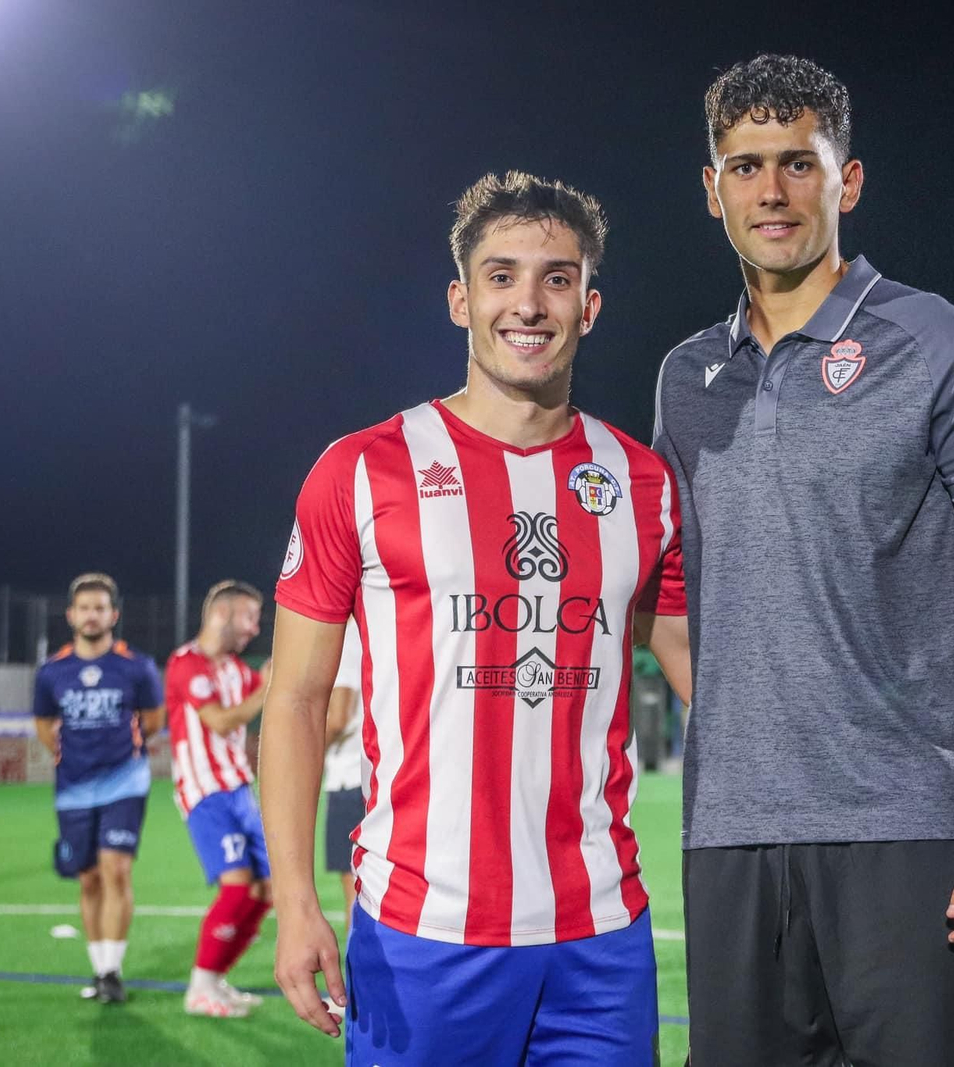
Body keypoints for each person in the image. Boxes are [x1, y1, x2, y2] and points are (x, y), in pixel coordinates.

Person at [652, 54, 954, 1064]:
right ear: (711, 191)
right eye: (744, 167)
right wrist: (756, 711)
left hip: (910, 828)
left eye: (798, 162)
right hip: (731, 836)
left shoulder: (939, 344)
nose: (772, 191)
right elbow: (666, 592)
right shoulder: (684, 378)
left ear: (849, 179)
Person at [262, 170, 688, 1065]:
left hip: (601, 934)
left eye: (556, 278)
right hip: (423, 934)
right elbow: (297, 699)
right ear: (461, 299)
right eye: (501, 276)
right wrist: (295, 897)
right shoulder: (362, 471)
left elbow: (709, 681)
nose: (528, 303)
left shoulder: (645, 485)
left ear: (590, 304)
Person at [32, 573, 163, 1004]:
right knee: (88, 878)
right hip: (72, 787)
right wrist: (73, 755)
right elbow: (44, 727)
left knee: (117, 869)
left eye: (100, 607)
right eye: (84, 607)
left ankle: (111, 971)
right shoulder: (52, 671)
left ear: (114, 614)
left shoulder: (137, 666)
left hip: (125, 781)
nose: (92, 615)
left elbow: (154, 721)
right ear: (71, 615)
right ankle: (98, 963)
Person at [166, 579, 274, 1018]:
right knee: (235, 887)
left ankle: (216, 979)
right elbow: (221, 719)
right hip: (205, 793)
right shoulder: (185, 664)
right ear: (223, 615)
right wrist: (269, 686)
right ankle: (199, 988)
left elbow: (270, 690)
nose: (254, 628)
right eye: (250, 617)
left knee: (266, 890)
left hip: (239, 789)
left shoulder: (236, 669)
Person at [321, 619, 364, 930]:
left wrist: (296, 754)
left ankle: (360, 978)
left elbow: (337, 718)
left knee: (357, 893)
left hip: (351, 777)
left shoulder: (348, 634)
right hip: (376, 776)